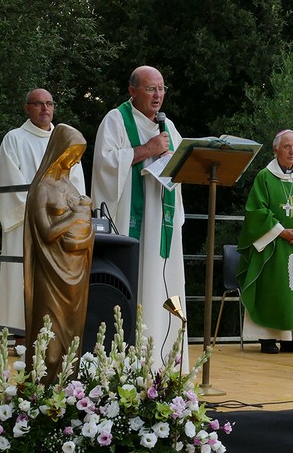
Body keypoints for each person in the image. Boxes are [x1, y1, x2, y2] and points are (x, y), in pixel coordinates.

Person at [90, 65, 187, 369]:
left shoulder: (168, 126)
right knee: (137, 281)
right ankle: (128, 359)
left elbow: (183, 164)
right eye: (150, 89)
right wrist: (147, 150)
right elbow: (105, 165)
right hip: (132, 220)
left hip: (162, 220)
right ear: (132, 91)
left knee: (162, 283)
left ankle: (165, 359)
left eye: (161, 88)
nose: (158, 95)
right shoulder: (116, 120)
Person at [0, 88, 85, 336]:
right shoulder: (14, 139)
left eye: (49, 104)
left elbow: (76, 185)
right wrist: (39, 216)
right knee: (22, 279)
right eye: (38, 104)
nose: (45, 109)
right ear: (27, 108)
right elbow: (9, 184)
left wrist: (65, 217)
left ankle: (54, 333)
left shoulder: (65, 140)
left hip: (60, 225)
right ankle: (20, 335)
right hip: (26, 222)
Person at [236, 129, 293, 354]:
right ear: (276, 149)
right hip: (273, 245)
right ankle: (267, 339)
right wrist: (281, 231)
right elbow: (256, 211)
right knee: (272, 289)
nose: (292, 151)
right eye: (287, 147)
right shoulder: (265, 177)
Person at [23, 124, 93, 382]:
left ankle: (65, 395)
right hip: (51, 271)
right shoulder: (42, 188)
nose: (74, 161)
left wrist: (84, 226)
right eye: (71, 154)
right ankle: (39, 394)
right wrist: (75, 218)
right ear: (59, 151)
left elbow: (83, 221)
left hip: (75, 270)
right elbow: (46, 232)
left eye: (78, 155)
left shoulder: (70, 187)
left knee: (71, 341)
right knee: (48, 340)